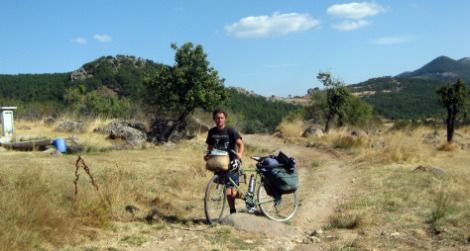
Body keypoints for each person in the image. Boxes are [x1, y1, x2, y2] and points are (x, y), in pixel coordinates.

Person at [205, 109, 244, 214]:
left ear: (225, 119)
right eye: (217, 118)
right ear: (214, 119)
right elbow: (210, 146)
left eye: (221, 118)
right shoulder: (212, 132)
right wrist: (208, 154)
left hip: (232, 162)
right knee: (228, 190)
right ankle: (233, 210)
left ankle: (244, 197)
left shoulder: (230, 130)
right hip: (219, 162)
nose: (219, 120)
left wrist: (239, 155)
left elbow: (240, 144)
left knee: (229, 192)